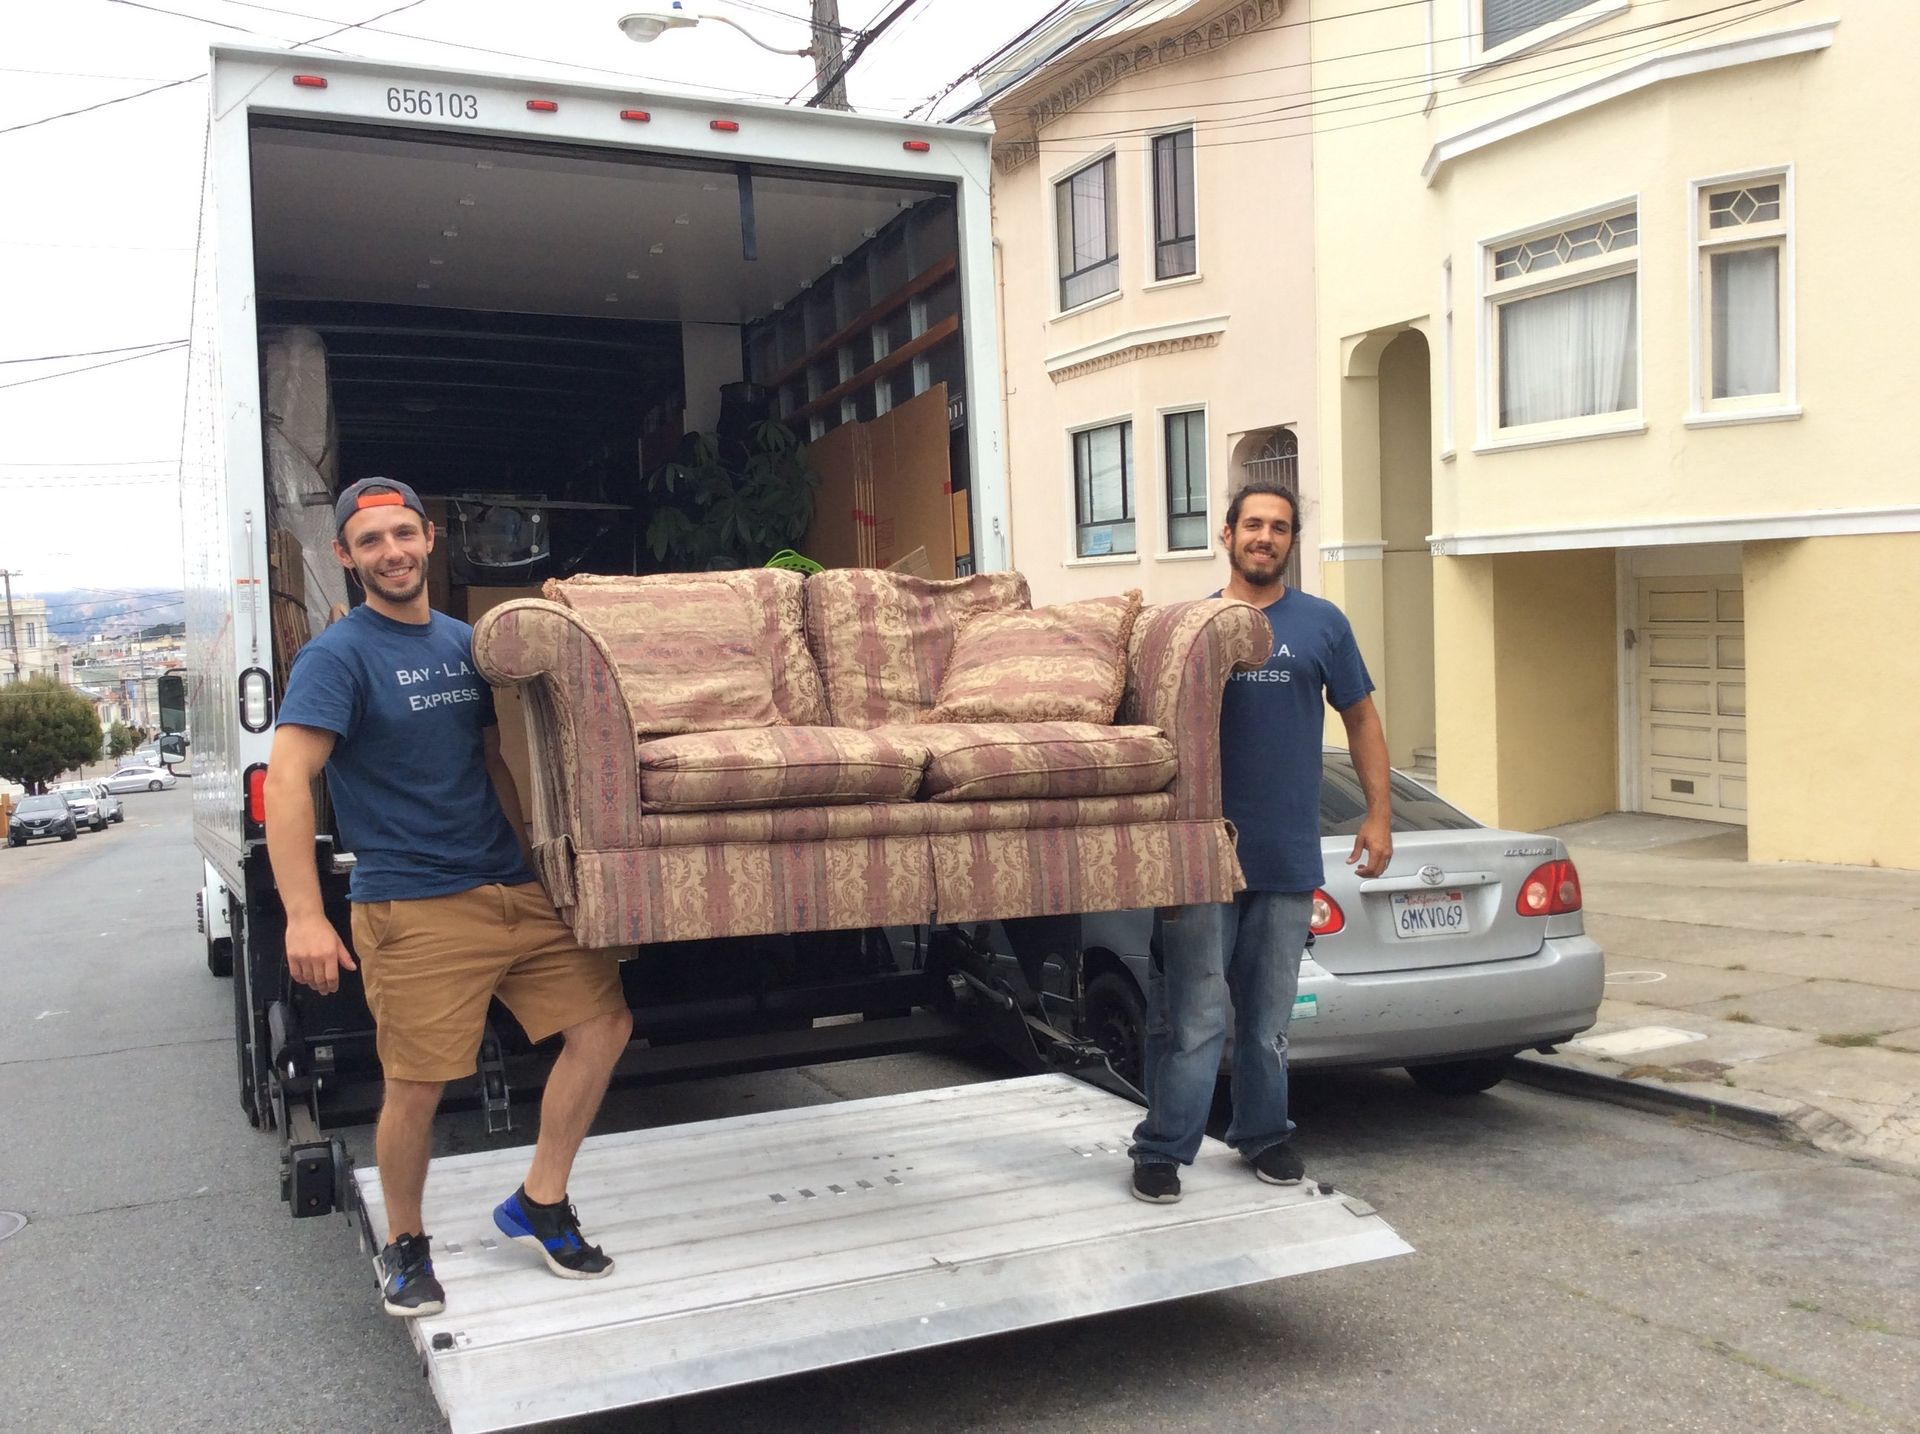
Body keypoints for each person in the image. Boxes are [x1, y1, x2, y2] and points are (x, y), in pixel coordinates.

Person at [266, 477, 633, 1317]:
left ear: (430, 538)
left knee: (604, 1026)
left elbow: (489, 760)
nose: (391, 552)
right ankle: (405, 1244)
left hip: (509, 885)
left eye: (403, 534)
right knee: (418, 1084)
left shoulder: (467, 642)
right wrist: (305, 916)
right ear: (346, 555)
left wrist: (535, 867)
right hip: (414, 903)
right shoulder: (337, 656)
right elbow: (288, 781)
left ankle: (541, 1200)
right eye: (371, 541)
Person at [1129, 481, 1392, 1203]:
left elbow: (1362, 719)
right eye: (1253, 524)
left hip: (1285, 858)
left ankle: (1265, 1134)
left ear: (1291, 541)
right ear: (1227, 534)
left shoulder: (1323, 624)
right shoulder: (1192, 627)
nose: (1264, 537)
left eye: (1279, 527)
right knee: (1193, 1018)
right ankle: (1162, 1149)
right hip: (1200, 858)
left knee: (1270, 1019)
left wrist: (1378, 814)